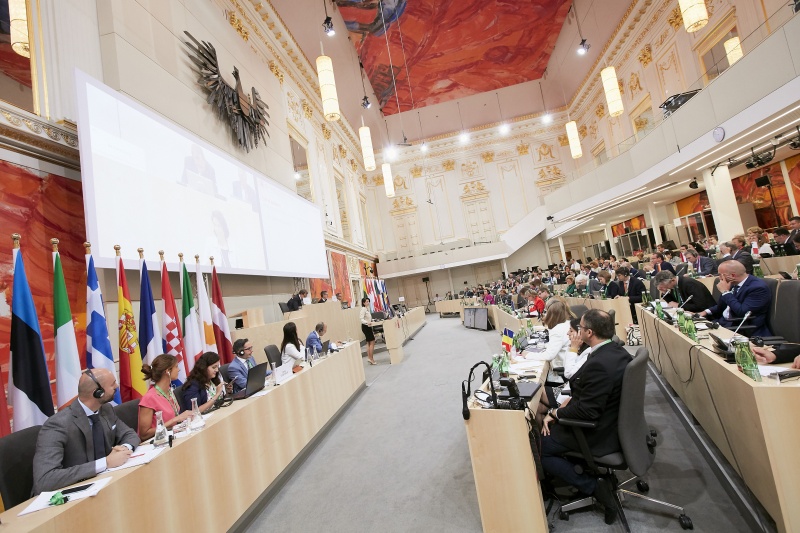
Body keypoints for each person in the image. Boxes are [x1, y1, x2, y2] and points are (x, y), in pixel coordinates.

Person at [540, 310, 632, 524]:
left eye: (579, 328)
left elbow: (587, 411)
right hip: (613, 421)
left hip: (597, 431)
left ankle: (593, 487)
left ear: (589, 332)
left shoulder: (599, 364)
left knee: (539, 447)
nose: (577, 332)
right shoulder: (617, 351)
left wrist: (554, 413)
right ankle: (577, 469)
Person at [32, 369, 139, 494]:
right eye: (112, 384)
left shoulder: (105, 409)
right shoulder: (57, 425)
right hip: (70, 496)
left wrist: (123, 450)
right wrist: (105, 462)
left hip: (104, 486)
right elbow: (45, 480)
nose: (116, 386)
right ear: (98, 393)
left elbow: (130, 434)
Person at [536, 318, 590, 425]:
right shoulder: (581, 349)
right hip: (567, 387)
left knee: (535, 393)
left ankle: (546, 437)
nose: (567, 333)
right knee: (535, 403)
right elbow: (567, 366)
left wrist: (573, 348)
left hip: (569, 393)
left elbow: (569, 373)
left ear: (580, 333)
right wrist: (572, 347)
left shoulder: (588, 353)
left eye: (571, 331)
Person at [698, 260, 772, 336]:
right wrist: (705, 312)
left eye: (721, 275)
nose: (719, 278)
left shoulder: (757, 288)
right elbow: (724, 305)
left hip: (741, 329)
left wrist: (725, 292)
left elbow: (742, 312)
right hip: (723, 323)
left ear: (732, 275)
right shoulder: (733, 283)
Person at [138, 354, 193, 441]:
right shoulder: (149, 398)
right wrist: (175, 420)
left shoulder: (169, 391)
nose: (179, 369)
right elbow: (144, 435)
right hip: (157, 443)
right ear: (167, 371)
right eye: (176, 367)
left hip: (173, 436)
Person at [526, 300, 574, 383]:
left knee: (534, 380)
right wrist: (544, 345)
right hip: (568, 364)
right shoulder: (568, 323)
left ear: (551, 314)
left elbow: (549, 356)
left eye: (546, 311)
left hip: (561, 371)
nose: (544, 314)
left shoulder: (557, 330)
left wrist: (527, 354)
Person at [360, 298, 377, 365]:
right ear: (363, 303)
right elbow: (361, 319)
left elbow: (368, 318)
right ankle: (371, 359)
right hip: (366, 327)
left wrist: (371, 321)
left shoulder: (367, 309)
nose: (368, 302)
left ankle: (369, 357)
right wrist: (367, 322)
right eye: (366, 301)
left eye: (368, 301)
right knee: (372, 342)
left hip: (368, 326)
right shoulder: (363, 309)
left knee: (369, 343)